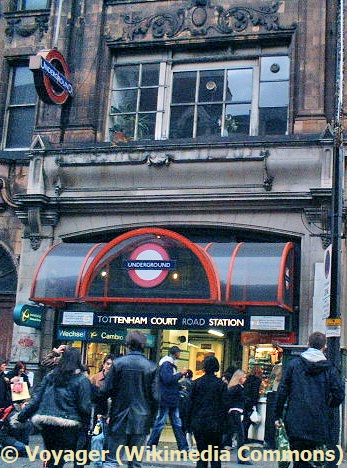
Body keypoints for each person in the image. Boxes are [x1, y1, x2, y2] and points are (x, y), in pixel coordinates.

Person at [274, 331, 345, 468]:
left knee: (299, 460)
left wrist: (277, 416)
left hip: (295, 422)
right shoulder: (330, 369)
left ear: (308, 345)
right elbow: (339, 394)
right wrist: (328, 406)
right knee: (315, 460)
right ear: (324, 347)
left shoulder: (293, 365)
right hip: (319, 422)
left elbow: (282, 391)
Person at [17, 347, 91, 468]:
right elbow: (84, 407)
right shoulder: (82, 380)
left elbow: (36, 399)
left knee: (53, 459)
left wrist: (21, 417)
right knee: (77, 456)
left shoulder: (51, 376)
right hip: (69, 424)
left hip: (47, 423)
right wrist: (86, 425)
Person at [97, 331, 158, 468]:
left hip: (119, 417)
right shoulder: (152, 367)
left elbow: (105, 391)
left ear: (127, 345)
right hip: (141, 419)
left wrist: (103, 413)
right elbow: (155, 398)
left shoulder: (118, 364)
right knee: (135, 462)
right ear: (143, 346)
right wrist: (151, 419)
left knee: (112, 460)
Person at [147, 345, 189, 452]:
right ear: (175, 353)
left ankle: (151, 446)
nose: (180, 354)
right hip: (168, 399)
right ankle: (183, 447)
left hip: (168, 398)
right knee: (171, 423)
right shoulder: (167, 365)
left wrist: (179, 386)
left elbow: (167, 381)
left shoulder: (167, 364)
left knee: (163, 422)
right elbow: (168, 380)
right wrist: (181, 374)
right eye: (179, 352)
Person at [187, 356, 226, 468]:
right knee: (215, 455)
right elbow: (224, 406)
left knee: (202, 453)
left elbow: (190, 405)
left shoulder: (196, 384)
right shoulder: (221, 385)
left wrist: (188, 424)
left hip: (199, 423)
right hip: (215, 424)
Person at [224, 369, 252, 464]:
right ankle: (242, 458)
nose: (245, 379)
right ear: (239, 378)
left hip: (235, 412)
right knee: (241, 436)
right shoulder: (236, 388)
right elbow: (228, 399)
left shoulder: (237, 387)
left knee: (229, 434)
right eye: (244, 377)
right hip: (236, 412)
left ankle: (212, 451)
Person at [242, 367, 262, 442]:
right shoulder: (257, 381)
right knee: (248, 420)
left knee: (246, 419)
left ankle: (244, 437)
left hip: (245, 401)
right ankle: (244, 437)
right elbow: (255, 393)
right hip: (251, 402)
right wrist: (254, 404)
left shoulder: (247, 379)